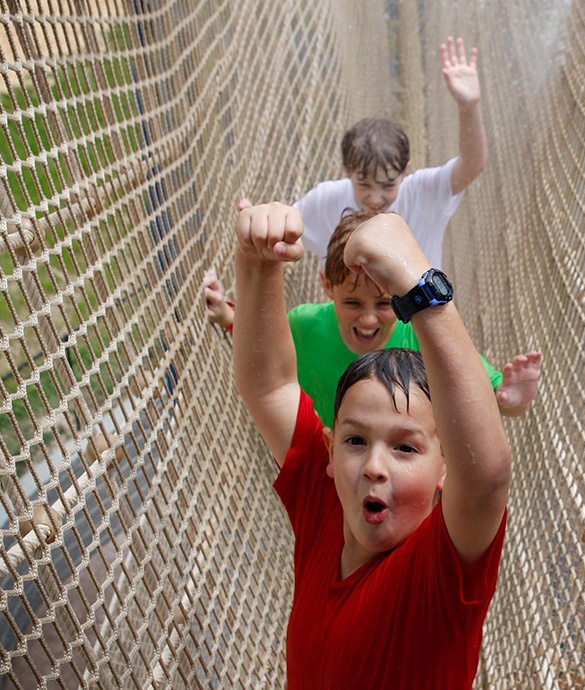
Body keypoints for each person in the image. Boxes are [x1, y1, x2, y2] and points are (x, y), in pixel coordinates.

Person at [232, 202, 510, 688]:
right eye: (356, 440)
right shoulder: (325, 507)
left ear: (446, 468)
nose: (374, 466)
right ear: (329, 453)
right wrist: (256, 261)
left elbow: (486, 478)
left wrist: (422, 287)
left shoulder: (439, 573)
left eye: (406, 449)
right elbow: (271, 386)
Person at [204, 35, 485, 330]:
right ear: (346, 170)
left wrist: (469, 107)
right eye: (364, 185)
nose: (376, 198)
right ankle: (230, 317)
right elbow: (287, 238)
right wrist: (262, 227)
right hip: (353, 322)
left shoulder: (423, 192)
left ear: (405, 172)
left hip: (415, 325)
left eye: (388, 186)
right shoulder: (327, 199)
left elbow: (472, 164)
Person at [289, 209, 541, 426]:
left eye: (383, 304)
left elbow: (482, 387)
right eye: (352, 303)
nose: (368, 320)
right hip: (326, 460)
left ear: (400, 293)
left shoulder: (422, 334)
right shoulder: (302, 326)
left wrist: (509, 399)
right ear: (327, 285)